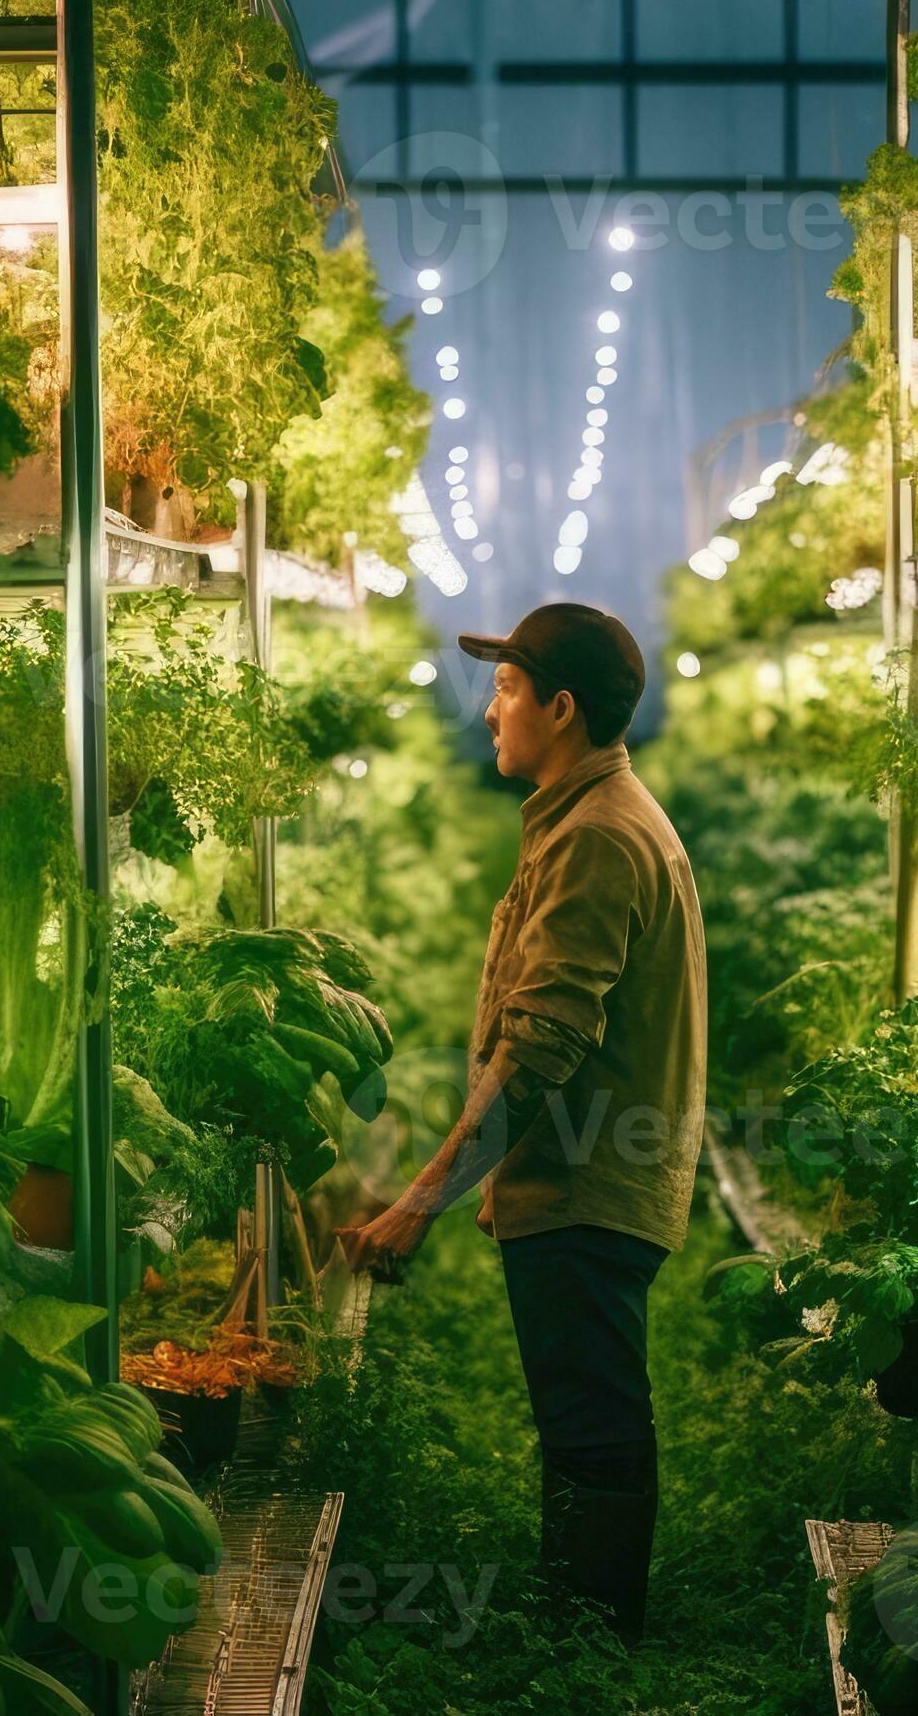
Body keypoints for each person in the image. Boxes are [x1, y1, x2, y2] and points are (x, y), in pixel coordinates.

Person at [335, 602, 707, 1646]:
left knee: (593, 1426)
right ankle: (579, 1621)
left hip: (589, 1182)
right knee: (584, 1418)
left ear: (562, 705)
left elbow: (540, 1046)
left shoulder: (597, 838)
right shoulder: (587, 818)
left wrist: (422, 1201)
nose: (489, 708)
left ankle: (588, 1647)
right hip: (584, 1177)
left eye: (505, 688)